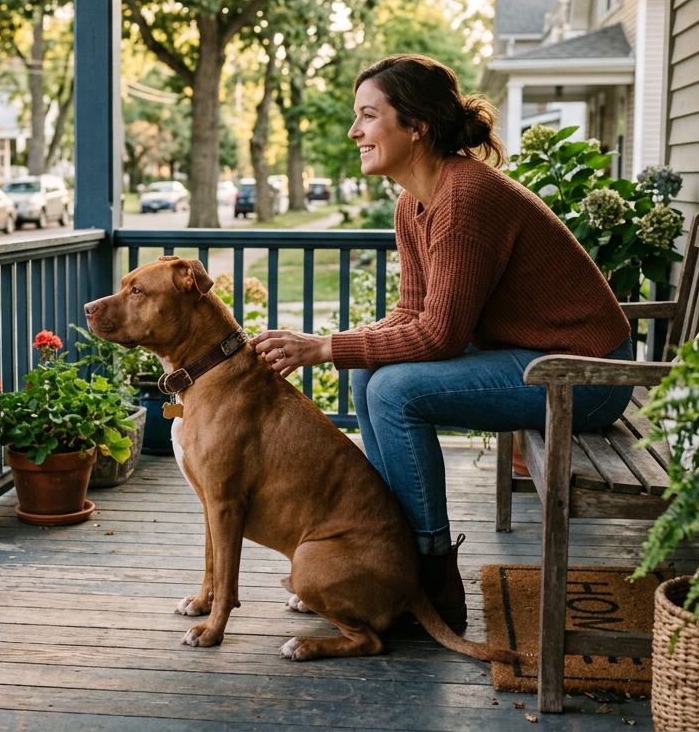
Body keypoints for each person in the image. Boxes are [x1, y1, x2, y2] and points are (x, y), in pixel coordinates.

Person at [252, 54, 632, 628]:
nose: (355, 131)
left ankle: (432, 572)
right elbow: (411, 311)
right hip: (535, 356)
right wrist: (334, 344)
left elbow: (439, 334)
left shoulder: (465, 198)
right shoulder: (415, 203)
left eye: (368, 116)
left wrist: (323, 347)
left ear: (416, 125)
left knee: (395, 391)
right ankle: (387, 555)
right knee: (369, 375)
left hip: (591, 375)